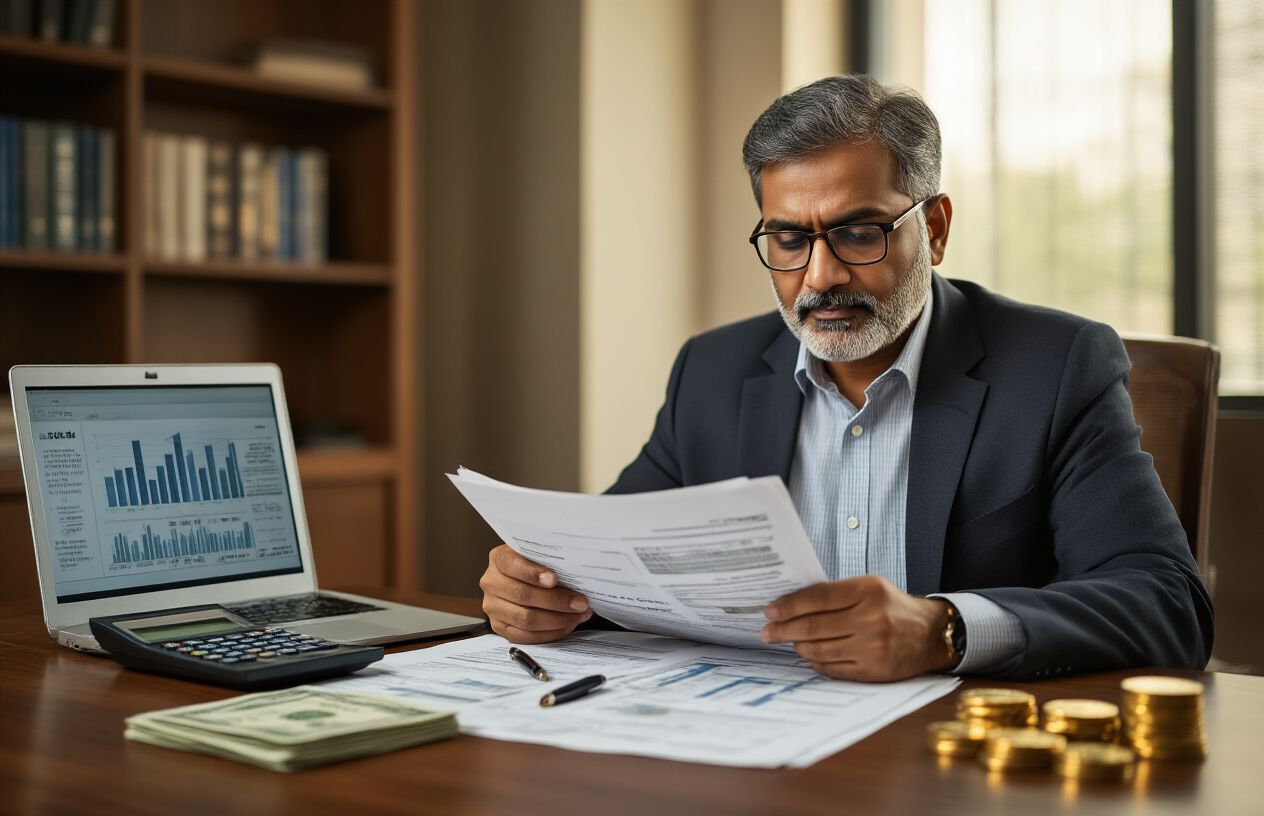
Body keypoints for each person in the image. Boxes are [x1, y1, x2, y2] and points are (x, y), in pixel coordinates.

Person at [479, 75, 1214, 682]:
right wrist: (545, 594)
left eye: (860, 232)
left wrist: (945, 629)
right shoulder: (713, 370)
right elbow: (615, 566)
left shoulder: (1056, 366)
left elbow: (1166, 603)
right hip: (749, 744)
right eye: (789, 239)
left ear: (938, 228)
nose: (820, 276)